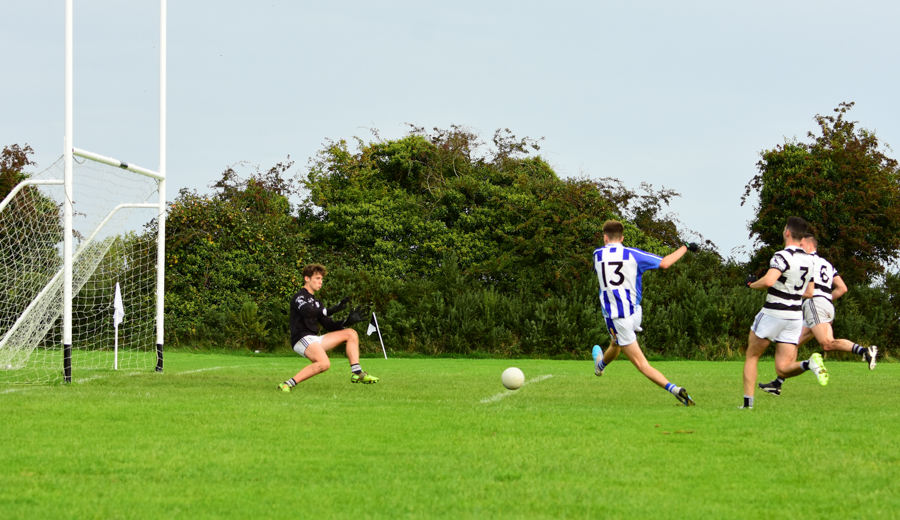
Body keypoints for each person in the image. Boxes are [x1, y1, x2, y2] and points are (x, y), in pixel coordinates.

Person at [590, 220, 698, 406]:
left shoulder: (597, 254)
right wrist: (685, 247)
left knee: (641, 363)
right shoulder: (633, 254)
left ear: (604, 238)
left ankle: (675, 389)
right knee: (615, 343)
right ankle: (600, 366)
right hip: (635, 312)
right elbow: (665, 264)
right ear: (622, 238)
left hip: (617, 318)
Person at [758, 233, 878, 396]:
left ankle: (864, 351)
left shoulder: (806, 261)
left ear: (809, 246)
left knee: (827, 344)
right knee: (793, 342)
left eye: (801, 246)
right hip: (824, 304)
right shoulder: (827, 264)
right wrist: (826, 299)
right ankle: (777, 384)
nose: (799, 249)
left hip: (815, 304)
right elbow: (842, 288)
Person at [741, 217, 827, 410]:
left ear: (787, 232)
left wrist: (751, 284)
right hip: (795, 316)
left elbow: (769, 281)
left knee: (752, 356)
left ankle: (748, 405)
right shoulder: (810, 261)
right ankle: (808, 363)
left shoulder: (781, 256)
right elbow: (809, 292)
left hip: (774, 313)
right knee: (782, 368)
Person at [277, 263, 377, 392]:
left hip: (314, 339)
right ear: (307, 278)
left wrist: (346, 322)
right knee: (324, 364)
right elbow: (307, 312)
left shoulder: (318, 303)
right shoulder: (299, 297)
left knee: (351, 333)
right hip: (301, 338)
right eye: (317, 278)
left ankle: (357, 373)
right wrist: (329, 310)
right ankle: (287, 384)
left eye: (321, 279)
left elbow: (329, 326)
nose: (320, 282)